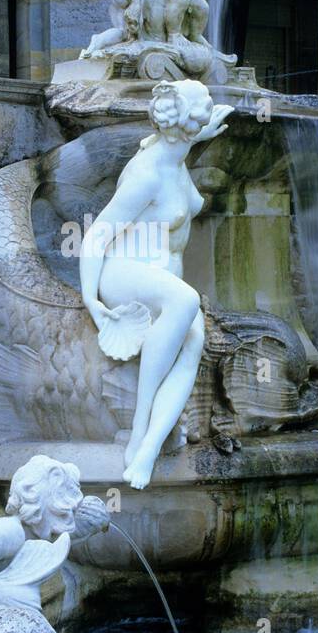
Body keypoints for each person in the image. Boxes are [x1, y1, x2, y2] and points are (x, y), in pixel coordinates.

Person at [81, 79, 232, 489]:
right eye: (203, 107)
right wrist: (90, 299)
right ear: (183, 122)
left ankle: (147, 449)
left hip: (159, 281)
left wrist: (200, 133)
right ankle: (141, 421)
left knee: (194, 336)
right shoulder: (148, 173)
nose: (208, 110)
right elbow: (96, 235)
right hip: (124, 273)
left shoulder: (175, 155)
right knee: (187, 301)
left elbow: (182, 143)